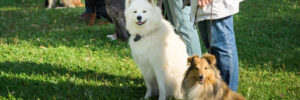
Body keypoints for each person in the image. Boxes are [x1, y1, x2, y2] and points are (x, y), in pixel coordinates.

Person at [190, 0, 243, 91]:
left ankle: (228, 95)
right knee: (212, 50)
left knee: (223, 50)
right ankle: (217, 93)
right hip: (201, 7)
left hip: (217, 6)